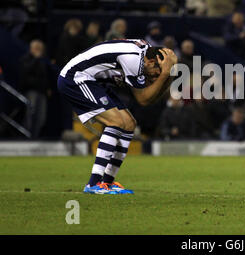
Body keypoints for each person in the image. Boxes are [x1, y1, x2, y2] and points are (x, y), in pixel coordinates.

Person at [57, 39, 177, 194]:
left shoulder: (143, 58)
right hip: (76, 78)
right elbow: (143, 99)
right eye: (157, 73)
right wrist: (166, 73)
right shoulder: (133, 59)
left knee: (129, 123)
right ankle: (93, 184)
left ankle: (107, 183)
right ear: (152, 62)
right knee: (116, 121)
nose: (155, 78)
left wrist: (169, 74)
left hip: (96, 82)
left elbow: (150, 97)